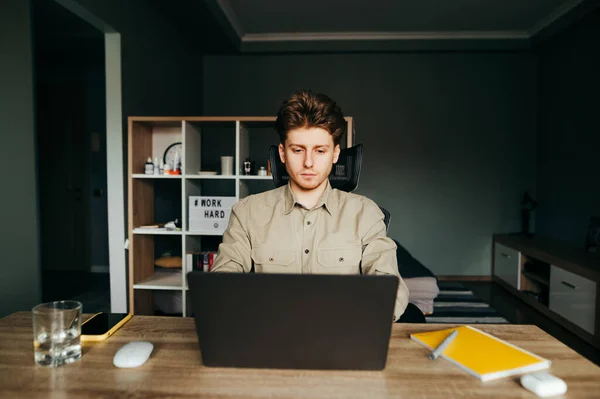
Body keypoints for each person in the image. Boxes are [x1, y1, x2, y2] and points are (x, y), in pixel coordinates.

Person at [211, 89, 411, 322]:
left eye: (320, 151)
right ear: (282, 153)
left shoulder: (365, 214)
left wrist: (365, 319)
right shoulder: (247, 212)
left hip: (344, 334)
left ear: (335, 154)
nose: (308, 162)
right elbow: (222, 281)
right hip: (269, 334)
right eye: (297, 150)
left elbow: (391, 287)